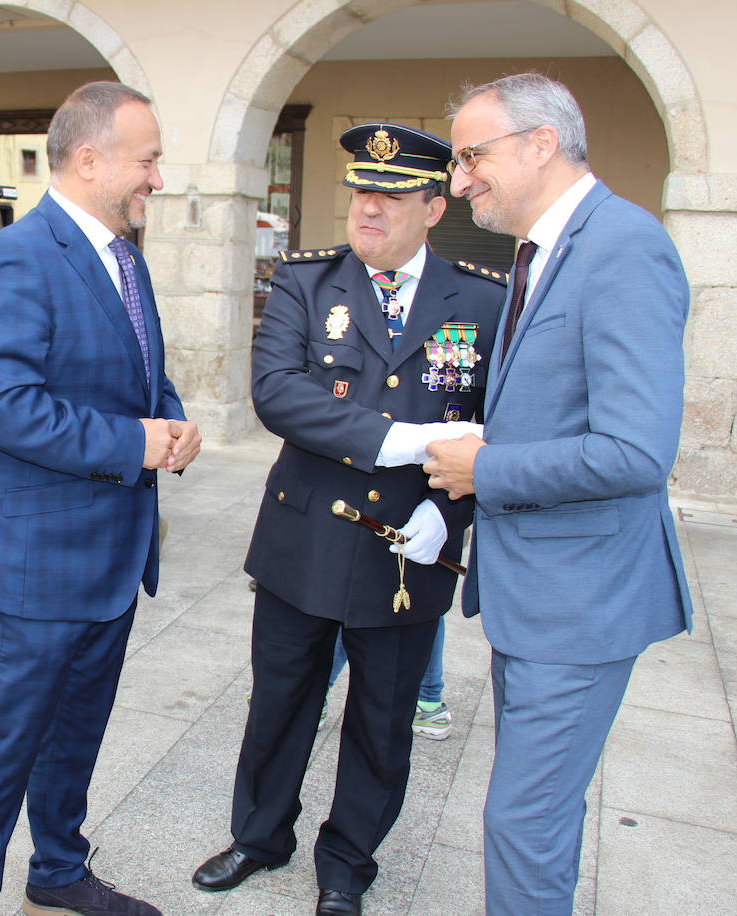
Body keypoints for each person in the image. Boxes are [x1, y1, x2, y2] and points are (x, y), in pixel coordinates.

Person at [191, 123, 506, 916]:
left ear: (434, 208)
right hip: (307, 536)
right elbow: (279, 394)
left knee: (382, 718)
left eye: (392, 197)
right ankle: (260, 837)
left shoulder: (485, 299)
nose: (369, 210)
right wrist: (399, 440)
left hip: (411, 546)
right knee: (281, 702)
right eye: (363, 192)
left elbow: (490, 425)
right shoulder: (308, 282)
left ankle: (348, 863)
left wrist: (449, 510)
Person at [426, 73, 691, 916]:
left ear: (541, 143)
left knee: (522, 822)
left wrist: (485, 468)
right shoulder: (550, 248)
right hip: (540, 593)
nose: (459, 181)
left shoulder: (623, 248)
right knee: (539, 816)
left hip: (581, 603)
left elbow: (634, 450)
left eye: (472, 156)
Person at [0, 81, 200, 916]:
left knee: (76, 733)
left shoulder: (126, 256)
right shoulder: (16, 258)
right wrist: (135, 444)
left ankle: (56, 871)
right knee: (5, 745)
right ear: (90, 160)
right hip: (34, 564)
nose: (157, 178)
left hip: (113, 556)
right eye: (148, 159)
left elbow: (141, 380)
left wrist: (176, 423)